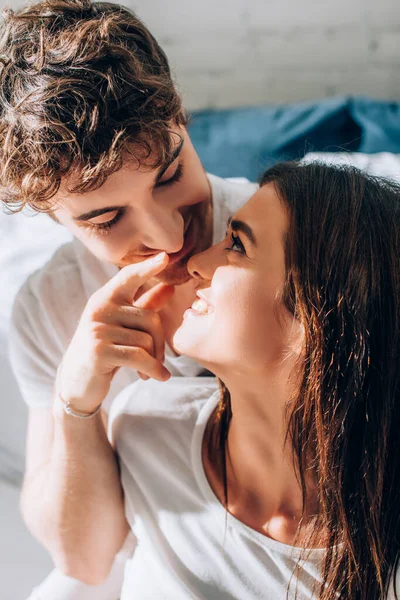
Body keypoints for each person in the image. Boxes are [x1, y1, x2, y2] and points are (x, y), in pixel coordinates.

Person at [0, 0, 257, 595]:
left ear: (184, 120)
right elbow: (86, 562)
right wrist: (76, 399)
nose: (170, 236)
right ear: (53, 217)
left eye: (171, 174)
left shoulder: (282, 234)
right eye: (108, 218)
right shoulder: (48, 310)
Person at [104, 161, 400, 599]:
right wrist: (72, 400)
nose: (196, 264)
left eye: (236, 245)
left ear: (318, 320)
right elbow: (81, 563)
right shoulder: (146, 425)